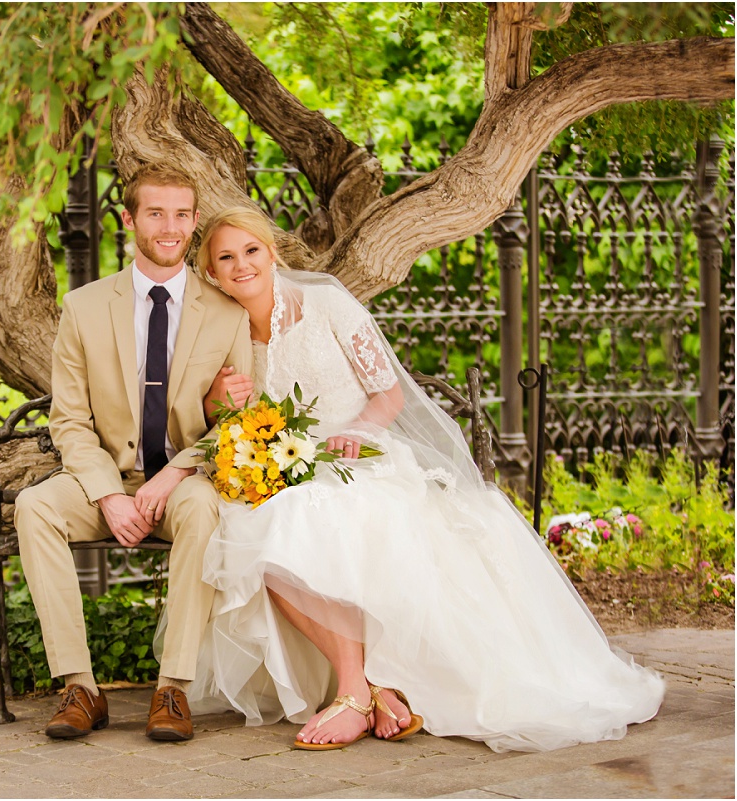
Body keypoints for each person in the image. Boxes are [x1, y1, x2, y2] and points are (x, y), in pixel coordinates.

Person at [179, 206, 664, 753]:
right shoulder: (222, 329)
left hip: (363, 454)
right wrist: (223, 399)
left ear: (273, 253)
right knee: (252, 530)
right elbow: (220, 414)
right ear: (211, 272)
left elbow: (389, 396)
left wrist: (356, 433)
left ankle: (355, 692)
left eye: (251, 250)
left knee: (297, 520)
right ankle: (365, 689)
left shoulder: (328, 302)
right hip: (292, 467)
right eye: (226, 257)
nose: (242, 264)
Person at [15, 167, 253, 742]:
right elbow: (69, 420)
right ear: (129, 220)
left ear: (195, 222)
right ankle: (80, 687)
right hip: (105, 478)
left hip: (184, 479)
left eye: (180, 214)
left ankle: (172, 690)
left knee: (203, 510)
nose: (169, 227)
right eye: (155, 213)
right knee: (33, 507)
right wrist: (106, 496)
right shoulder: (85, 307)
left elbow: (241, 425)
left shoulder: (227, 312)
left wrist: (173, 475)